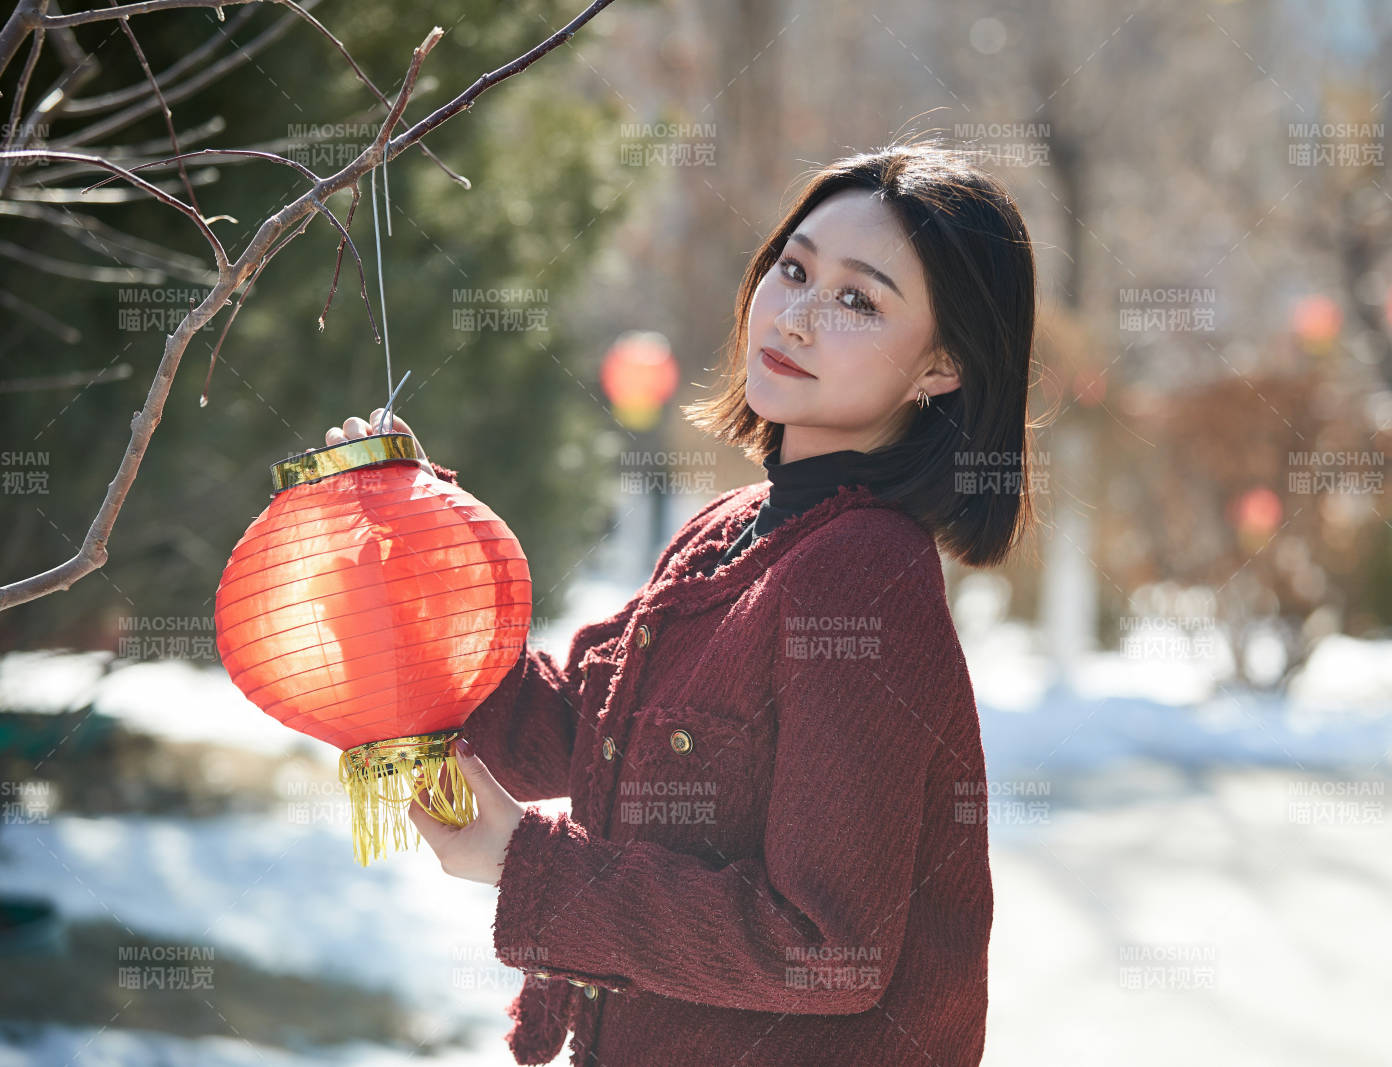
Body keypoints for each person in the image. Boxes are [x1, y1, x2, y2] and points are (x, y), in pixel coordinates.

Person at [321, 138, 1039, 1066]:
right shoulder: (730, 531)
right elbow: (557, 723)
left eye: (858, 299)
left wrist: (527, 868)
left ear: (941, 366)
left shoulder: (864, 572)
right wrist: (405, 546)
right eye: (794, 269)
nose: (799, 315)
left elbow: (828, 949)